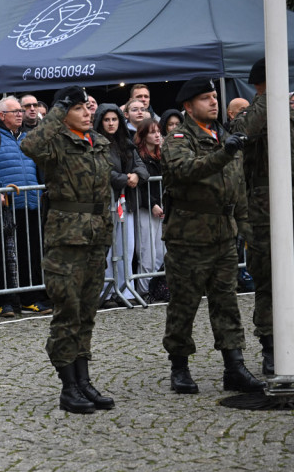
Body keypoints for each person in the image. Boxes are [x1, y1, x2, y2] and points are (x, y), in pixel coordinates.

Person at [160, 77, 264, 395]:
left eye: (215, 96)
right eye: (205, 98)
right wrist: (224, 154)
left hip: (223, 236)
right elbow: (185, 170)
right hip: (188, 238)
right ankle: (180, 368)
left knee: (227, 303)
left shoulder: (225, 136)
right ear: (189, 106)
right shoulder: (178, 138)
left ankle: (234, 367)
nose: (213, 102)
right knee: (184, 305)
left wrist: (247, 231)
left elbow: (238, 189)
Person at [20, 85, 115, 414]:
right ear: (63, 113)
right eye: (78, 108)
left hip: (95, 238)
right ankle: (68, 386)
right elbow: (29, 145)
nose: (87, 112)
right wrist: (58, 110)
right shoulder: (55, 142)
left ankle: (84, 380)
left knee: (87, 312)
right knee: (67, 311)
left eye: (88, 107)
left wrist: (106, 234)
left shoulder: (98, 142)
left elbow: (104, 193)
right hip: (66, 239)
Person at [230, 58, 293, 375]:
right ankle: (271, 348)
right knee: (269, 281)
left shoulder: (288, 113)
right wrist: (269, 96)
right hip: (263, 214)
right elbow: (244, 132)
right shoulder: (249, 114)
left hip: (289, 206)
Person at [0, 96, 47, 316]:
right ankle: (5, 301)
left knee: (30, 253)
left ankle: (30, 298)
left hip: (30, 204)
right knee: (3, 255)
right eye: (16, 111)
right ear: (3, 115)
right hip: (4, 207)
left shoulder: (28, 138)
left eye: (21, 111)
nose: (21, 114)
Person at [94, 103, 148, 304]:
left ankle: (125, 290)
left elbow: (141, 166)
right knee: (108, 251)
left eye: (114, 119)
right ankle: (107, 292)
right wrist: (125, 179)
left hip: (126, 204)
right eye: (107, 120)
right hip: (106, 204)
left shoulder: (126, 142)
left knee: (126, 249)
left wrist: (136, 175)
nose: (111, 123)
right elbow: (103, 170)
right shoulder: (95, 143)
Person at [133, 118, 167, 301]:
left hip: (161, 207)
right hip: (146, 208)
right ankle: (144, 290)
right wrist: (152, 204)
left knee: (161, 252)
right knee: (147, 252)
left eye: (158, 131)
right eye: (152, 132)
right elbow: (140, 186)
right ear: (143, 135)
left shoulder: (162, 155)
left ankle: (157, 288)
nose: (157, 135)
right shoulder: (139, 157)